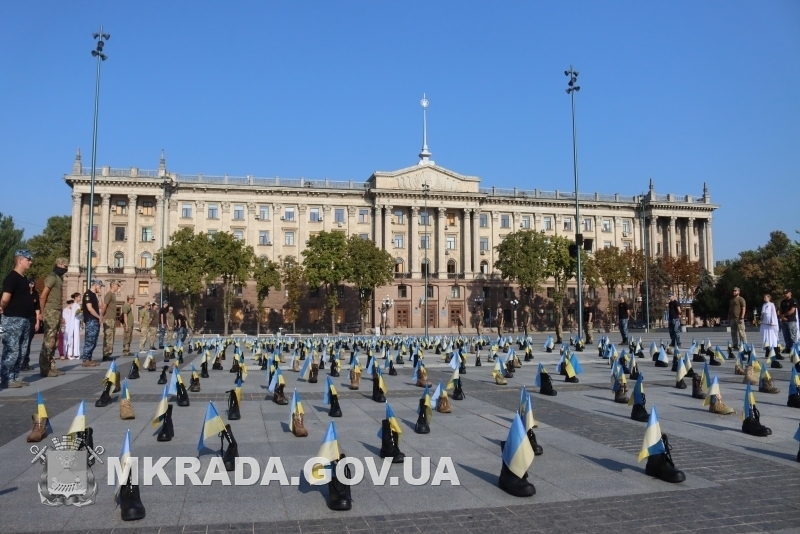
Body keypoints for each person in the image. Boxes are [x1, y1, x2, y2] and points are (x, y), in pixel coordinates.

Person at [0, 249, 35, 388]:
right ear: (20, 260)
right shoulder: (12, 278)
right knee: (12, 349)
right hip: (13, 318)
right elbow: (5, 298)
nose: (30, 262)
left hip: (24, 319)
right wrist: (2, 307)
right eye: (28, 259)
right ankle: (6, 378)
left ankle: (14, 377)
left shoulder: (24, 279)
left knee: (21, 349)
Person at [37, 258, 68, 376]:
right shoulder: (52, 277)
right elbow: (43, 296)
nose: (65, 268)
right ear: (57, 264)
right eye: (63, 265)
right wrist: (42, 312)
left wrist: (60, 315)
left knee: (55, 341)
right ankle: (44, 369)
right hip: (50, 311)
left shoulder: (59, 278)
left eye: (66, 266)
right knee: (48, 341)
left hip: (56, 312)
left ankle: (51, 366)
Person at [80, 279, 104, 366]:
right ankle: (85, 359)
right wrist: (98, 317)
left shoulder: (94, 295)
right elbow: (89, 308)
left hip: (95, 320)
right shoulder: (88, 294)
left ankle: (89, 358)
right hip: (91, 320)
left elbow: (101, 307)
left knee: (94, 340)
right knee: (90, 340)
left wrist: (100, 296)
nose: (101, 288)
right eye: (100, 286)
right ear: (96, 285)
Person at [19, 279, 41, 371]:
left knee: (28, 343)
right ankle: (19, 362)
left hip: (32, 319)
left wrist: (37, 322)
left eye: (33, 283)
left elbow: (37, 310)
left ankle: (25, 363)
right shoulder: (23, 294)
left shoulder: (35, 294)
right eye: (30, 283)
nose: (32, 284)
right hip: (23, 318)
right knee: (21, 342)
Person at [101, 280, 120, 361]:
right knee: (108, 336)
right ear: (112, 285)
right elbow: (104, 306)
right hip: (108, 319)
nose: (118, 287)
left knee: (111, 337)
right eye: (117, 285)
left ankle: (108, 353)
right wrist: (101, 316)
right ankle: (105, 354)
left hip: (112, 319)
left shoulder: (113, 295)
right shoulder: (109, 294)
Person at [64, 293, 82, 359]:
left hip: (77, 322)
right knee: (72, 337)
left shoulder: (77, 305)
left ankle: (76, 353)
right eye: (79, 297)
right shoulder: (74, 305)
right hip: (74, 322)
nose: (80, 298)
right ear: (76, 297)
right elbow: (74, 315)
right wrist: (80, 312)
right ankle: (70, 353)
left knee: (76, 338)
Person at [728, 287, 747, 351]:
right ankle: (735, 345)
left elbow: (743, 308)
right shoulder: (731, 300)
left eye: (735, 291)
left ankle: (744, 345)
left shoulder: (741, 299)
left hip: (739, 318)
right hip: (732, 318)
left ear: (739, 292)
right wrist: (729, 317)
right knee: (733, 332)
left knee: (741, 332)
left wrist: (742, 317)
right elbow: (730, 309)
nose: (734, 292)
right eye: (733, 291)